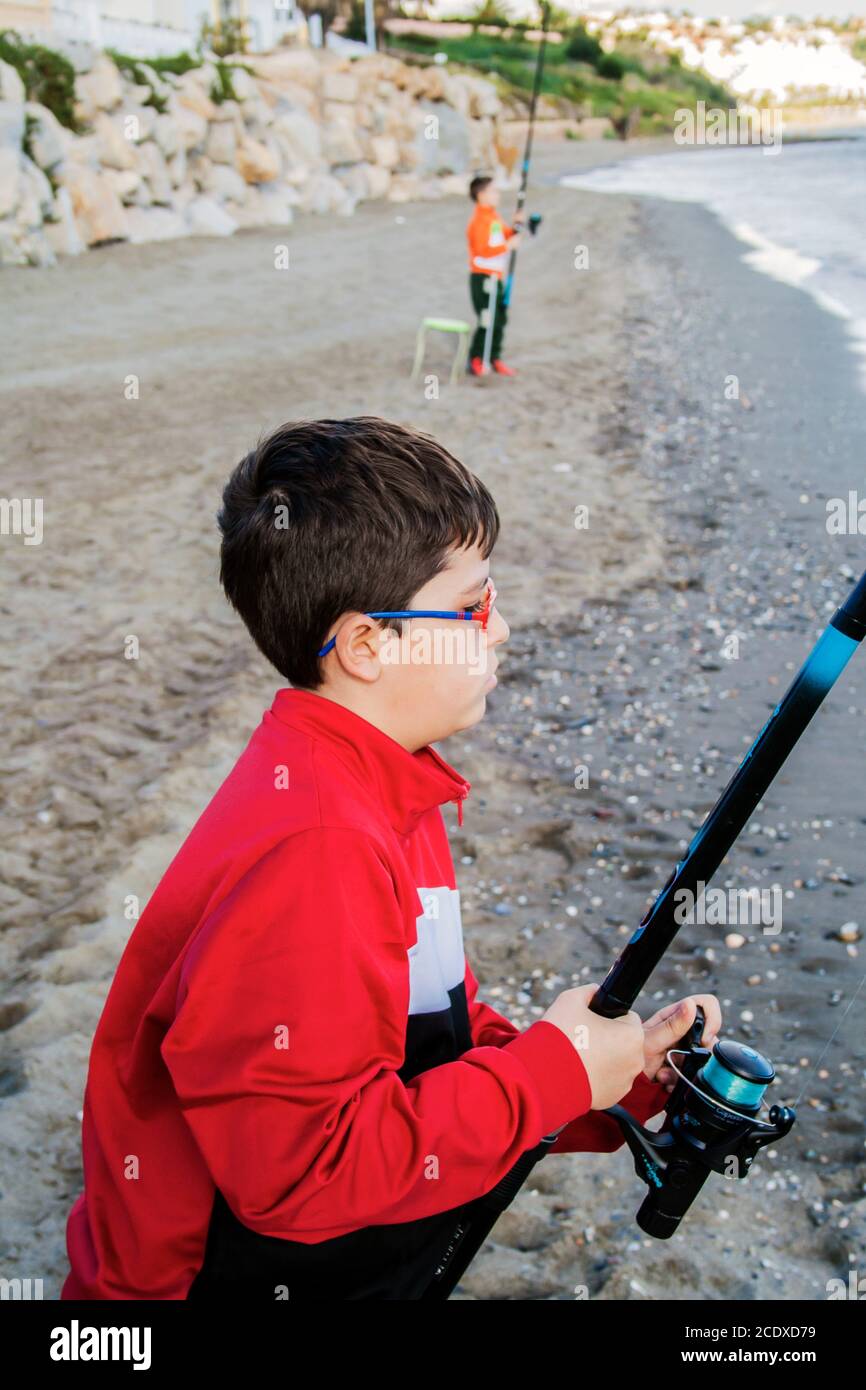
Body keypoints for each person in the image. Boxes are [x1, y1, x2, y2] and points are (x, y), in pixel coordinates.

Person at [60, 417, 722, 1300]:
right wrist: (551, 1074)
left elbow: (429, 1045)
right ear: (368, 645)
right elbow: (304, 1175)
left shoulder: (388, 781)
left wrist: (606, 1079)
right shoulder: (320, 850)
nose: (503, 627)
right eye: (472, 606)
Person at [467, 175, 522, 378]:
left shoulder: (493, 217)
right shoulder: (479, 221)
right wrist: (508, 246)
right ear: (481, 195)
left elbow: (502, 236)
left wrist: (515, 227)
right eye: (493, 191)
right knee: (487, 319)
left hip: (496, 277)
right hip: (483, 278)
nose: (497, 195)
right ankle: (476, 358)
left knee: (500, 317)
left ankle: (494, 357)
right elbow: (482, 250)